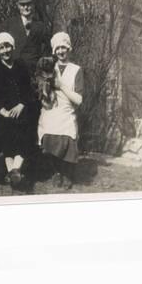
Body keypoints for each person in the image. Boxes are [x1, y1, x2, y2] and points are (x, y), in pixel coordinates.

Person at [0, 32, 36, 189]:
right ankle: (15, 173)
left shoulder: (21, 66)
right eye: (1, 47)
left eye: (7, 46)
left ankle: (14, 172)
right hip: (2, 111)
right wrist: (1, 110)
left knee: (26, 129)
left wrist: (22, 104)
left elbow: (29, 91)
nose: (5, 50)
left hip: (22, 109)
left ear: (12, 47)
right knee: (5, 130)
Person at [37, 32, 84, 189]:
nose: (61, 51)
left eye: (64, 47)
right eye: (58, 48)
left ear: (69, 48)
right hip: (51, 109)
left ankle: (67, 173)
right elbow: (42, 89)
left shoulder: (76, 70)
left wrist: (60, 86)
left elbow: (78, 99)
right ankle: (57, 171)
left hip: (67, 110)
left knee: (68, 132)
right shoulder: (49, 66)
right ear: (54, 50)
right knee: (48, 130)